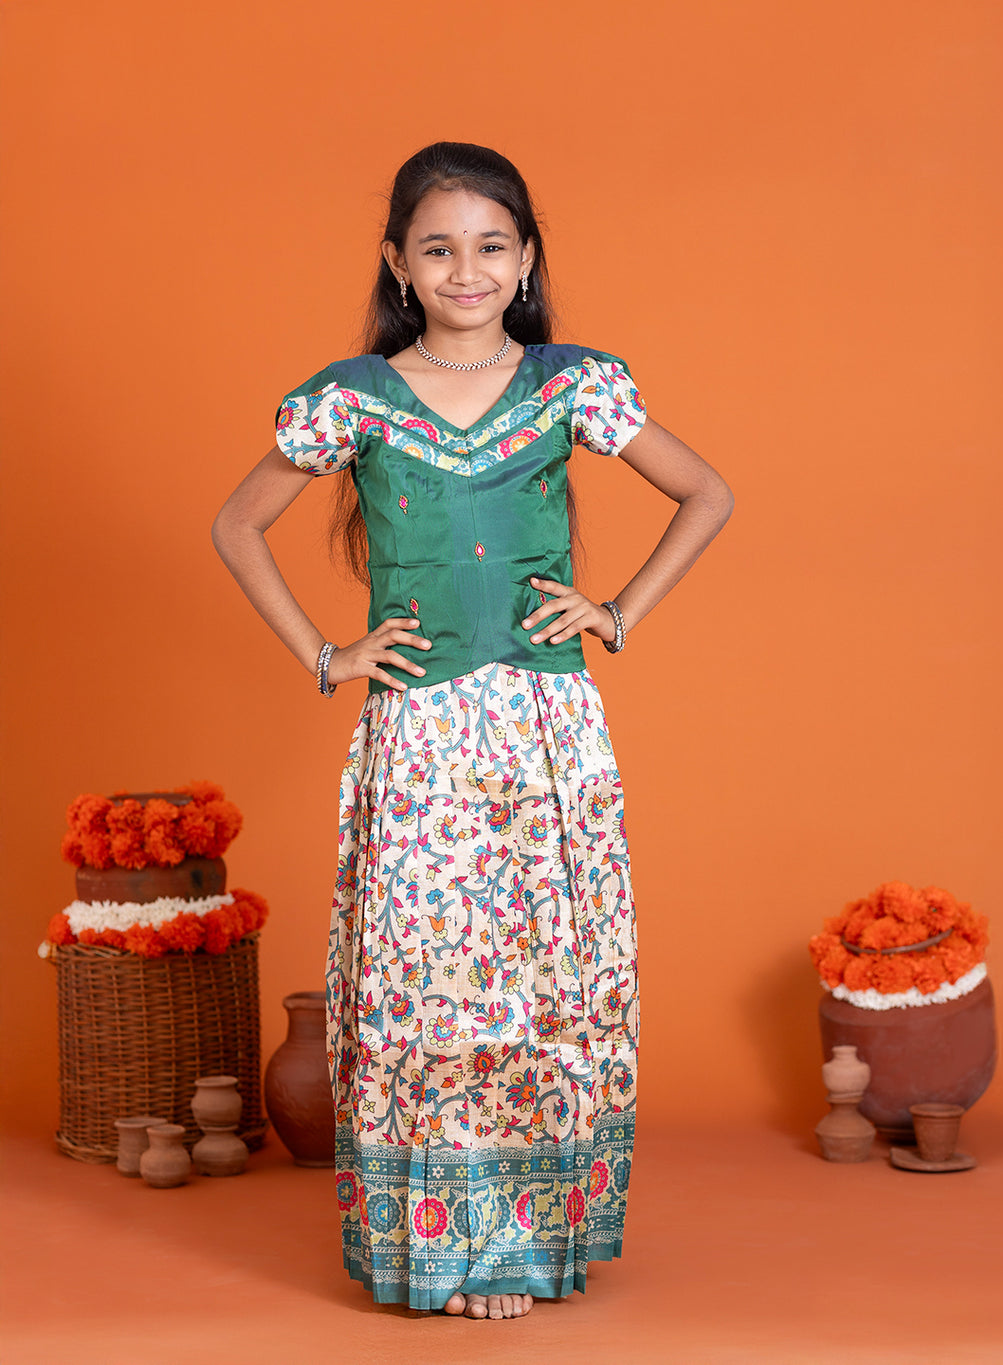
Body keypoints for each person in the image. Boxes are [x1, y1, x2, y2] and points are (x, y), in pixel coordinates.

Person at [212, 141, 733, 1321]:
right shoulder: (353, 398)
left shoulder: (571, 385)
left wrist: (615, 614)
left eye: (491, 245)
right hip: (422, 735)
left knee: (543, 982)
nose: (466, 269)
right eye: (438, 248)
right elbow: (237, 524)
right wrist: (327, 656)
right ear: (398, 264)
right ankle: (440, 1250)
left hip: (545, 730)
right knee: (428, 987)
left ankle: (525, 1242)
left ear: (526, 257)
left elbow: (708, 492)